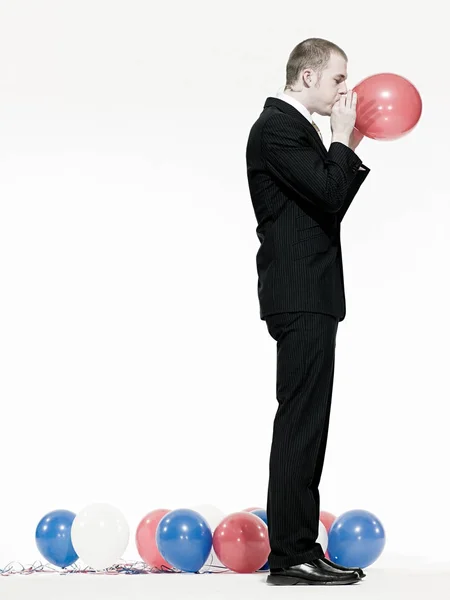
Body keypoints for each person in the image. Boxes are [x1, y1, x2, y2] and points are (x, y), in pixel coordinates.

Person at [246, 38, 371, 586]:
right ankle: (291, 555)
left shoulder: (298, 130)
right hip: (299, 296)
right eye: (339, 79)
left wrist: (348, 140)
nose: (346, 89)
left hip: (311, 295)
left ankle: (300, 548)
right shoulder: (276, 127)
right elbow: (328, 194)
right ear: (308, 77)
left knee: (308, 424)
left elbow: (327, 196)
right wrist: (342, 139)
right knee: (299, 424)